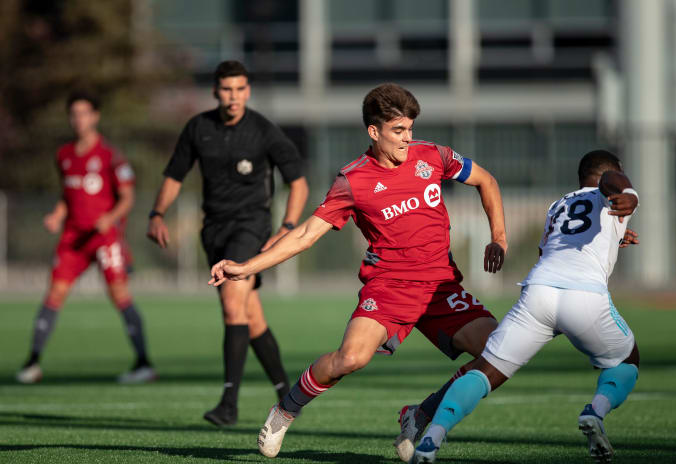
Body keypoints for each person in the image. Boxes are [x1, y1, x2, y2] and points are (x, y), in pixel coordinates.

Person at [208, 82, 508, 458]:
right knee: (350, 359)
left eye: (410, 129)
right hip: (389, 288)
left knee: (500, 354)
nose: (407, 139)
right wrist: (244, 268)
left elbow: (486, 181)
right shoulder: (353, 180)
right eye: (398, 131)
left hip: (440, 287)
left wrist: (498, 237)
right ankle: (285, 410)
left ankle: (420, 414)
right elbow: (304, 234)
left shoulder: (432, 155)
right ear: (374, 131)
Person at [410, 149, 641, 464]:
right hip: (585, 296)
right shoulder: (613, 191)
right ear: (609, 174)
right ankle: (595, 412)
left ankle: (431, 438)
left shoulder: (558, 205)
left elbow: (556, 247)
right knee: (626, 360)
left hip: (538, 292)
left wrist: (614, 236)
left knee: (487, 370)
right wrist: (628, 193)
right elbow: (612, 182)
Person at [147, 60, 308, 426]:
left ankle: (228, 404)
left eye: (239, 89)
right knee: (251, 316)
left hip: (251, 227)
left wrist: (286, 225)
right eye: (226, 89)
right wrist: (156, 214)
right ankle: (286, 392)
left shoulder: (263, 131)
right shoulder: (198, 128)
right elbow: (174, 175)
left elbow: (297, 181)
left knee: (232, 304)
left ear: (247, 91)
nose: (233, 97)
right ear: (216, 92)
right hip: (213, 231)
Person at [16, 91, 155, 385]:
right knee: (54, 294)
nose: (79, 119)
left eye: (84, 113)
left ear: (95, 116)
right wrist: (57, 214)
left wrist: (111, 217)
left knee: (119, 295)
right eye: (74, 114)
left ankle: (143, 364)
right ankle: (32, 362)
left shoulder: (110, 155)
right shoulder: (64, 155)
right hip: (73, 239)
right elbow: (68, 194)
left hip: (105, 238)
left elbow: (127, 197)